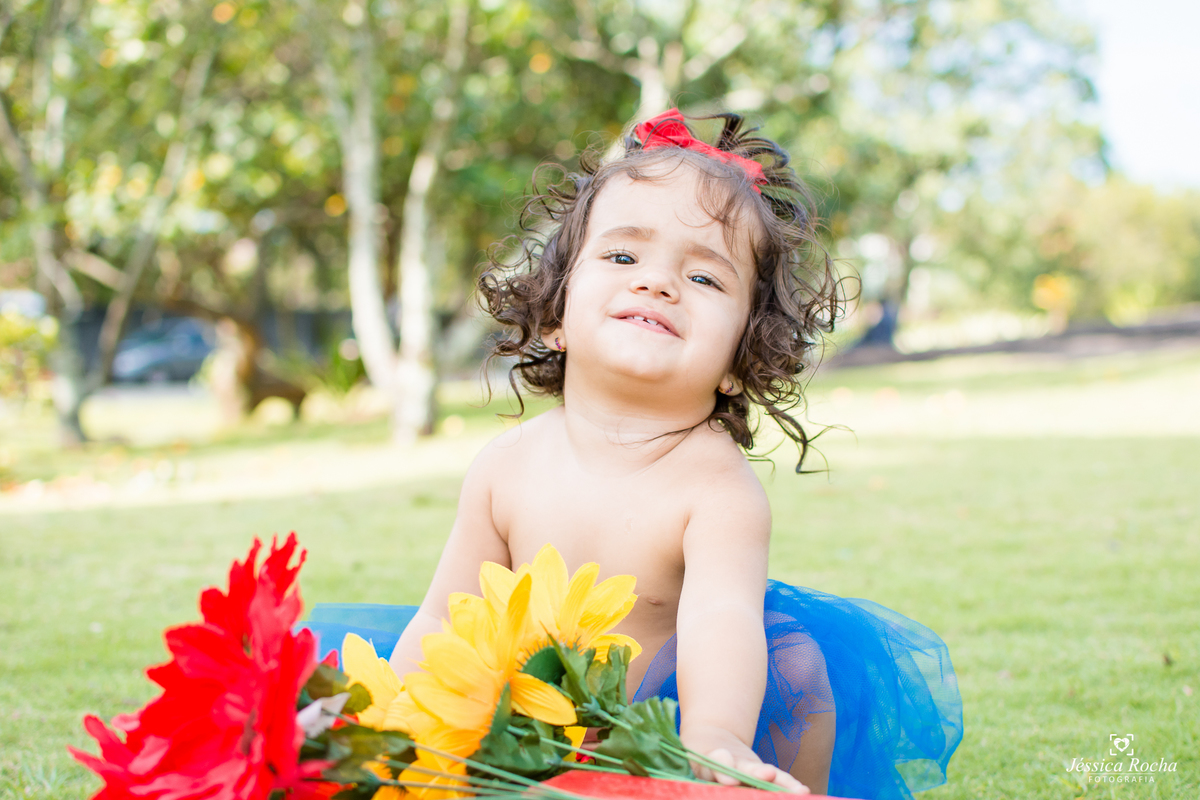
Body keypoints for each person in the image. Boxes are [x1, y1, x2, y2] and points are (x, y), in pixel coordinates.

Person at [304, 109, 962, 800]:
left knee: (797, 666)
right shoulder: (506, 465)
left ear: (741, 357)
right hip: (534, 716)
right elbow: (443, 615)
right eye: (623, 257)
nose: (658, 282)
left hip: (673, 713)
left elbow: (720, 621)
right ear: (557, 314)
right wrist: (400, 722)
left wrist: (714, 736)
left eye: (706, 278)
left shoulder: (716, 488)